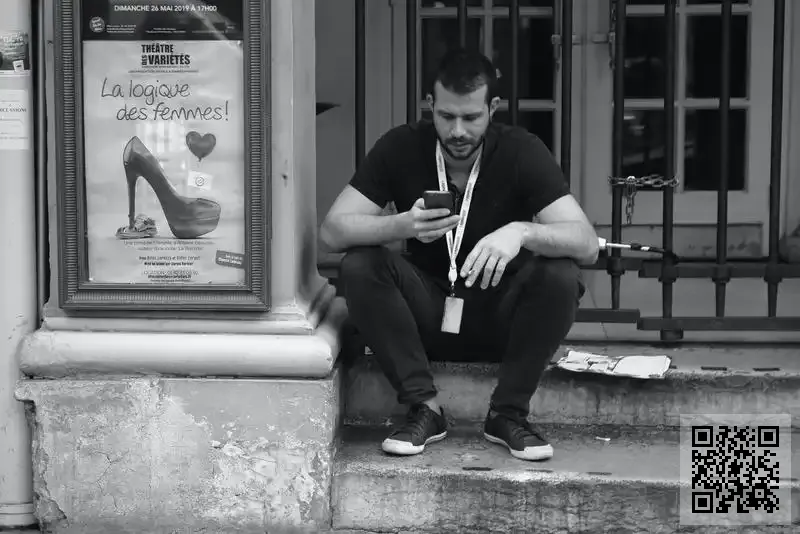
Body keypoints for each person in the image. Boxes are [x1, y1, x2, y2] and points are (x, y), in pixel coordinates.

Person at [320, 48, 598, 461]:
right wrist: (401, 225)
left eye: (471, 118)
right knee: (360, 264)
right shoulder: (401, 146)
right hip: (426, 317)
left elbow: (586, 243)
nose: (457, 131)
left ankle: (508, 414)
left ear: (493, 108)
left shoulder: (521, 150)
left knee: (561, 273)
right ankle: (424, 409)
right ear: (429, 105)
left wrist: (522, 232)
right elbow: (332, 231)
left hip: (503, 320)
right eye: (446, 116)